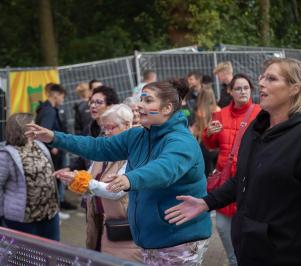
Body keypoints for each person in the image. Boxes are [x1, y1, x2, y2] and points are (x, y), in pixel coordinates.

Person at [165, 58, 301, 266]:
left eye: (271, 78)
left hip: (283, 256)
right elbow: (243, 178)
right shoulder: (256, 129)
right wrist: (206, 202)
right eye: (262, 77)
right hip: (247, 250)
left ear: (294, 88)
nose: (261, 83)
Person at [26, 80, 211, 265]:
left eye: (147, 101)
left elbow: (164, 168)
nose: (139, 105)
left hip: (178, 240)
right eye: (141, 100)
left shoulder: (181, 141)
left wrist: (130, 178)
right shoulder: (138, 136)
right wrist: (55, 137)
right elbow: (97, 146)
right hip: (151, 240)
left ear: (167, 108)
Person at [56, 104, 143, 262]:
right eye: (105, 128)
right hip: (99, 222)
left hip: (123, 227)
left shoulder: (135, 152)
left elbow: (116, 191)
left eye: (112, 127)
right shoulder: (104, 148)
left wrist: (85, 183)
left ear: (128, 125)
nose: (107, 133)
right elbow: (90, 176)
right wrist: (73, 177)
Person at [202, 73, 260, 266]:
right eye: (238, 88)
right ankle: (234, 261)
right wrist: (209, 133)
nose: (242, 91)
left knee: (249, 232)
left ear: (251, 90)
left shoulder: (261, 113)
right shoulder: (220, 114)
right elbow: (210, 145)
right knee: (223, 228)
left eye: (246, 88)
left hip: (251, 183)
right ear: (230, 91)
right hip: (225, 182)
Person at [0, 113, 60, 240]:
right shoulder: (5, 155)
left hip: (50, 213)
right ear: (22, 129)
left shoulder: (39, 145)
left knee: (52, 254)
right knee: (29, 258)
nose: (37, 127)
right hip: (25, 219)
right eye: (33, 124)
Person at [35, 83, 74, 212]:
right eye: (62, 96)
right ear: (56, 95)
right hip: (53, 152)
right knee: (55, 180)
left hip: (52, 151)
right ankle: (56, 209)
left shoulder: (47, 109)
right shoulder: (49, 111)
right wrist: (52, 147)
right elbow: (45, 130)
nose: (62, 100)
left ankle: (56, 208)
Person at [191, 82, 220, 176]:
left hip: (204, 145)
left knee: (205, 173)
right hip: (217, 146)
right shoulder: (219, 110)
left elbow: (198, 132)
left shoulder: (200, 112)